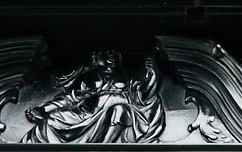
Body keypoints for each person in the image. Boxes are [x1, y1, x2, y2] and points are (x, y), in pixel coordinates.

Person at [23, 50, 164, 143]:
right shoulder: (88, 78)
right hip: (85, 114)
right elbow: (69, 99)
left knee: (120, 110)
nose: (111, 57)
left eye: (114, 55)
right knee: (51, 120)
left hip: (114, 114)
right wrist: (44, 109)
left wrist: (153, 77)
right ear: (95, 59)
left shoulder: (127, 77)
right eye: (106, 54)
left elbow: (142, 95)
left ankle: (106, 147)